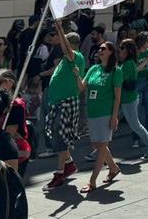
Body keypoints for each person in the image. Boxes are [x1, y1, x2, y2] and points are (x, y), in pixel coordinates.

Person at [43, 25, 85, 190]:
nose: (61, 43)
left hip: (66, 102)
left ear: (71, 44)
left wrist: (59, 28)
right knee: (57, 134)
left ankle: (60, 173)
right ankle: (69, 164)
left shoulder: (76, 56)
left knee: (61, 137)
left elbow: (66, 48)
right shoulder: (66, 59)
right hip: (58, 101)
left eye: (64, 41)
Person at [81, 41, 122, 194]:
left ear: (111, 52)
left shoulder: (116, 71)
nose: (100, 50)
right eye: (99, 48)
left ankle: (92, 181)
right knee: (97, 145)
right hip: (92, 112)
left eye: (103, 48)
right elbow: (81, 87)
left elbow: (118, 97)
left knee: (101, 147)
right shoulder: (93, 69)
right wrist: (75, 73)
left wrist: (114, 116)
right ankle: (113, 167)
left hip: (105, 113)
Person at [117, 39, 148, 161]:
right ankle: (99, 150)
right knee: (108, 125)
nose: (119, 50)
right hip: (126, 97)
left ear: (128, 50)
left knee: (136, 124)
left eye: (122, 48)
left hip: (128, 98)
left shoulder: (129, 64)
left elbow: (121, 80)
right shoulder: (126, 63)